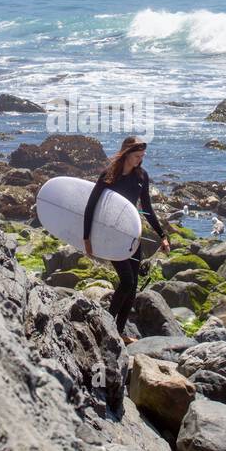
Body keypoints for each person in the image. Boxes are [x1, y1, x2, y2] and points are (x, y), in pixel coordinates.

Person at [83, 137, 170, 342]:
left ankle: (119, 331)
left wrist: (162, 235)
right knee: (127, 280)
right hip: (109, 234)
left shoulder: (141, 176)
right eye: (137, 156)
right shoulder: (109, 175)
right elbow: (91, 206)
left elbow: (147, 209)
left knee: (133, 285)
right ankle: (107, 324)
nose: (141, 160)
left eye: (142, 156)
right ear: (127, 153)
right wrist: (87, 238)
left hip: (131, 234)